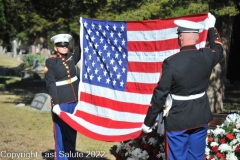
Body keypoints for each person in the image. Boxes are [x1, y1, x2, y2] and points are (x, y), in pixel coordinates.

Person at [141, 13, 223, 160]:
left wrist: (149, 121)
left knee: (177, 157)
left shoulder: (171, 63)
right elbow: (218, 47)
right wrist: (211, 27)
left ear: (181, 37)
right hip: (200, 115)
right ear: (197, 37)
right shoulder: (207, 55)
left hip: (178, 118)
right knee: (197, 157)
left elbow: (160, 93)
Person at [44, 34, 81, 160]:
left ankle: (70, 157)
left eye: (66, 45)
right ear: (56, 47)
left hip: (74, 102)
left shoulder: (71, 57)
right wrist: (55, 103)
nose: (64, 47)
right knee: (60, 134)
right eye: (61, 45)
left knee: (71, 133)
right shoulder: (51, 62)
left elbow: (82, 48)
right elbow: (51, 83)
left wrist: (85, 33)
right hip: (62, 102)